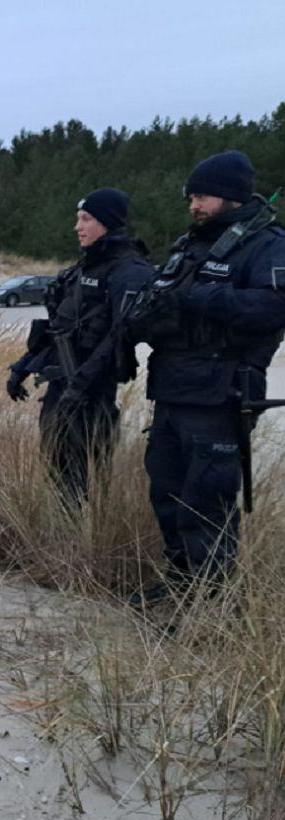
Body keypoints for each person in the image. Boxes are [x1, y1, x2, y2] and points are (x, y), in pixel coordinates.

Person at [124, 151, 285, 605]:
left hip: (223, 394)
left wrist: (198, 298)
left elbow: (273, 308)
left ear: (232, 196)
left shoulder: (266, 244)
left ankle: (208, 602)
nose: (195, 204)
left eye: (204, 196)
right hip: (174, 390)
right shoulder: (190, 245)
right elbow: (165, 299)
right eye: (191, 196)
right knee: (167, 490)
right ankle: (179, 584)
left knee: (206, 500)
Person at [6, 188, 154, 502]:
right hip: (62, 387)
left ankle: (83, 542)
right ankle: (63, 535)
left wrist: (80, 385)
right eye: (78, 219)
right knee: (56, 468)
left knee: (83, 477)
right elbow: (57, 331)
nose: (78, 227)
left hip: (93, 395)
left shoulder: (129, 271)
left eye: (86, 219)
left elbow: (121, 334)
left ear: (108, 224)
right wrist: (21, 367)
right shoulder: (82, 269)